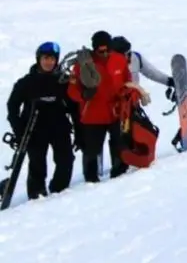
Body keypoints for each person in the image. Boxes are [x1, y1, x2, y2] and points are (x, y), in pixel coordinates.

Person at [5, 41, 78, 199]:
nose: (49, 62)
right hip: (34, 130)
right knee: (37, 165)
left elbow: (74, 106)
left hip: (59, 127)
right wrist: (19, 131)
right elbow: (12, 107)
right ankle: (36, 195)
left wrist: (79, 132)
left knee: (66, 160)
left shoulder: (64, 81)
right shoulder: (26, 82)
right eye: (45, 58)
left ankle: (59, 191)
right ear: (38, 59)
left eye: (52, 59)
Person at [67, 30, 133, 181]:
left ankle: (119, 173)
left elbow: (127, 80)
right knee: (91, 150)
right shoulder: (82, 65)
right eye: (100, 51)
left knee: (119, 143)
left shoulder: (120, 60)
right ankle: (90, 179)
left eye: (107, 50)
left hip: (116, 112)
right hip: (92, 116)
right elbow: (72, 91)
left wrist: (127, 95)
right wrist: (83, 95)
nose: (104, 53)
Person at [110, 36, 174, 96]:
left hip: (132, 101)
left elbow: (151, 72)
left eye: (129, 53)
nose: (128, 56)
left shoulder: (135, 58)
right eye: (125, 54)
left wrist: (169, 81)